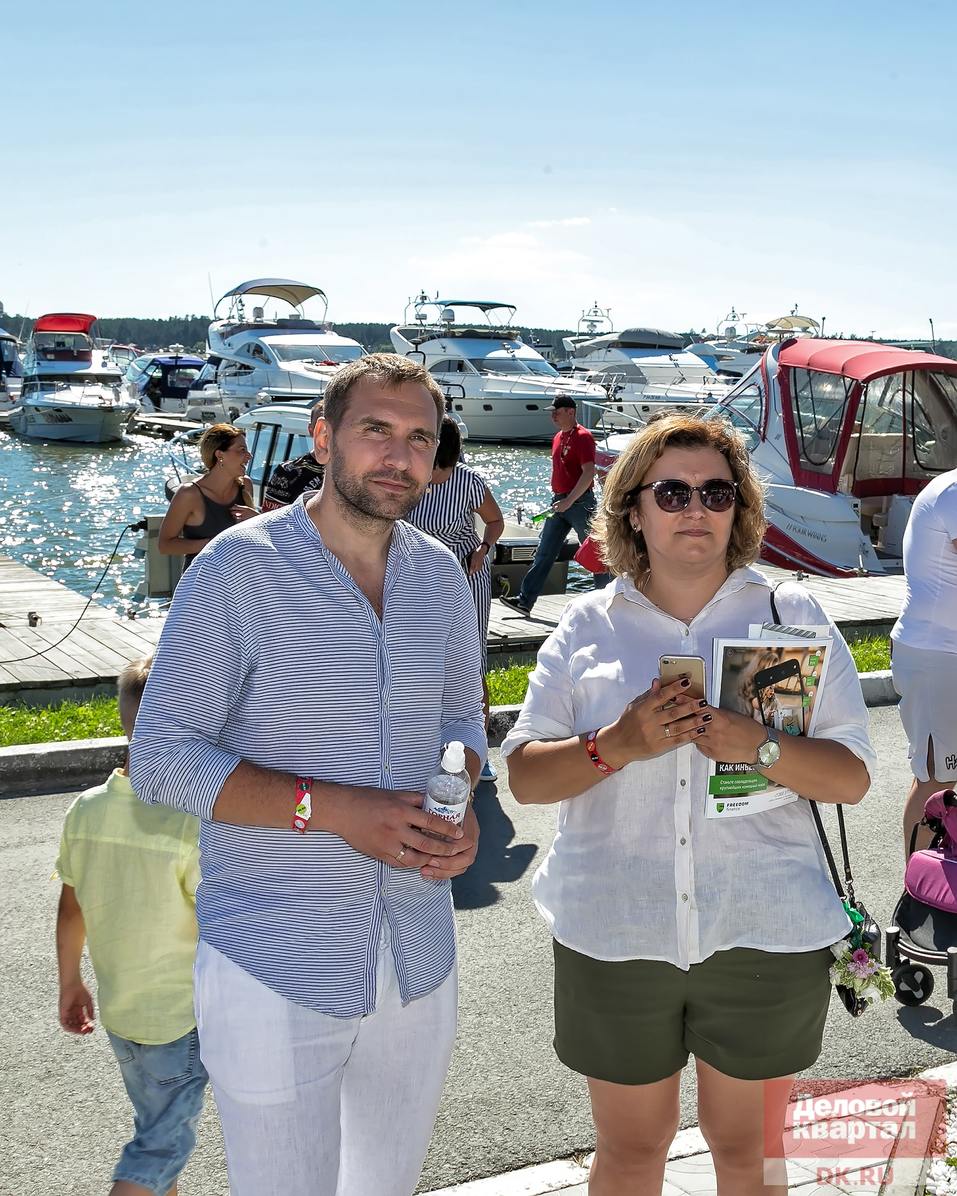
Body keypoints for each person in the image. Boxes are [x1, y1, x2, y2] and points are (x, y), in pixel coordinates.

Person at [129, 353, 486, 1196]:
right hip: (272, 958)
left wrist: (460, 803)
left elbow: (462, 723)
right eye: (374, 431)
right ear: (324, 437)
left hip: (418, 952)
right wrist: (329, 810)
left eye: (418, 439)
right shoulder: (235, 568)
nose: (397, 457)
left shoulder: (438, 573)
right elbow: (162, 758)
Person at [503, 414, 875, 1196]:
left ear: (740, 507)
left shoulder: (791, 617)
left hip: (762, 928)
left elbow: (848, 779)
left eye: (716, 491)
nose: (694, 508)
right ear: (631, 508)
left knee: (749, 1157)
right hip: (616, 931)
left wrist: (758, 746)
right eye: (670, 491)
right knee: (631, 1154)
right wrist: (620, 744)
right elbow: (527, 780)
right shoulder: (585, 626)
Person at [55, 655, 206, 1196]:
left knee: (154, 1126)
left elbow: (72, 908)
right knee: (162, 1145)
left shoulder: (87, 809)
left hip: (122, 1013)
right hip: (180, 1018)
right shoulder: (189, 823)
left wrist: (71, 983)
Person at [408, 413, 505, 780]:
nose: (434, 476)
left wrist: (483, 548)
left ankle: (478, 750)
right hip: (415, 575)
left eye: (442, 468)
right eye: (433, 466)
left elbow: (495, 522)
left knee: (471, 657)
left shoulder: (469, 482)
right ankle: (419, 742)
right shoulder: (409, 479)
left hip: (466, 574)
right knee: (418, 656)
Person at [891, 464, 957, 856]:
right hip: (937, 655)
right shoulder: (952, 491)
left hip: (942, 653)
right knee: (935, 781)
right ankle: (917, 900)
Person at [501, 394, 608, 615]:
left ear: (571, 412)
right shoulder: (558, 437)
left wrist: (570, 500)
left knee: (594, 552)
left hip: (579, 503)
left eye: (556, 412)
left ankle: (607, 602)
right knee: (544, 552)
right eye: (552, 412)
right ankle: (525, 601)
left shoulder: (583, 437)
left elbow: (588, 473)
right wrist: (561, 500)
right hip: (559, 502)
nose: (553, 416)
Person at [158, 422, 257, 564]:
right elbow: (165, 545)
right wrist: (212, 543)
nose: (249, 456)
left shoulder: (245, 485)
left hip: (240, 579)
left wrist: (256, 518)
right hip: (201, 581)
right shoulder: (189, 494)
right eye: (241, 450)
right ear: (219, 455)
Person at [260, 398, 328, 511]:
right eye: (321, 427)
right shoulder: (287, 472)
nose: (327, 432)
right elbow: (271, 521)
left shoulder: (354, 469)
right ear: (311, 430)